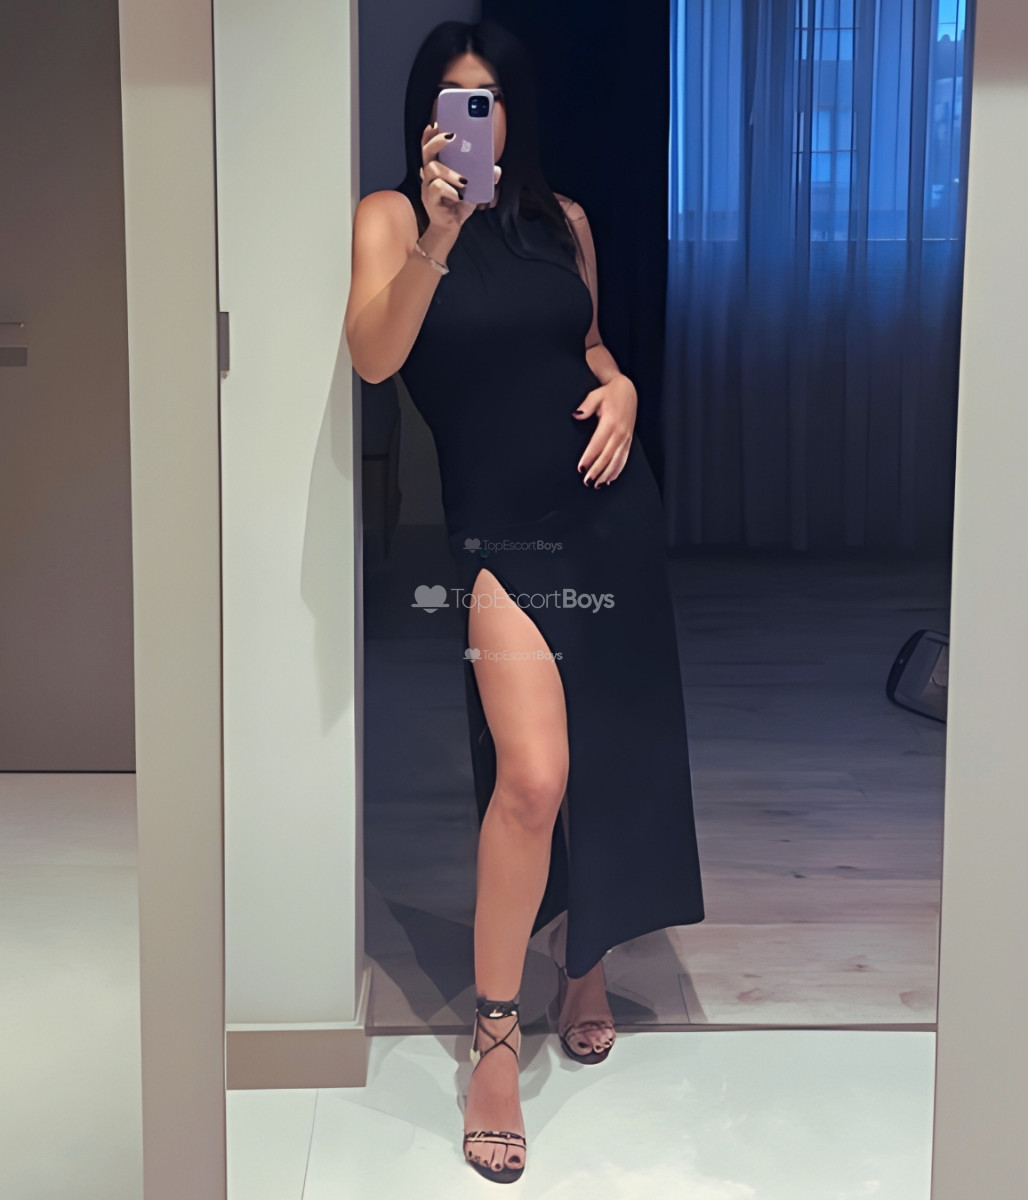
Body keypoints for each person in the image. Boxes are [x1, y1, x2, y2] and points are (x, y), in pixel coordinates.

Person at [345, 19, 704, 1184]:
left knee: (607, 755)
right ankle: (493, 1038)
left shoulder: (566, 223)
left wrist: (624, 389)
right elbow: (373, 356)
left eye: (488, 99)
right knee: (532, 777)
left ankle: (581, 962)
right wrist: (440, 233)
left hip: (607, 513)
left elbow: (588, 346)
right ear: (424, 116)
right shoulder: (390, 219)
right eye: (451, 99)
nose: (471, 119)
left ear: (514, 114)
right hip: (500, 535)